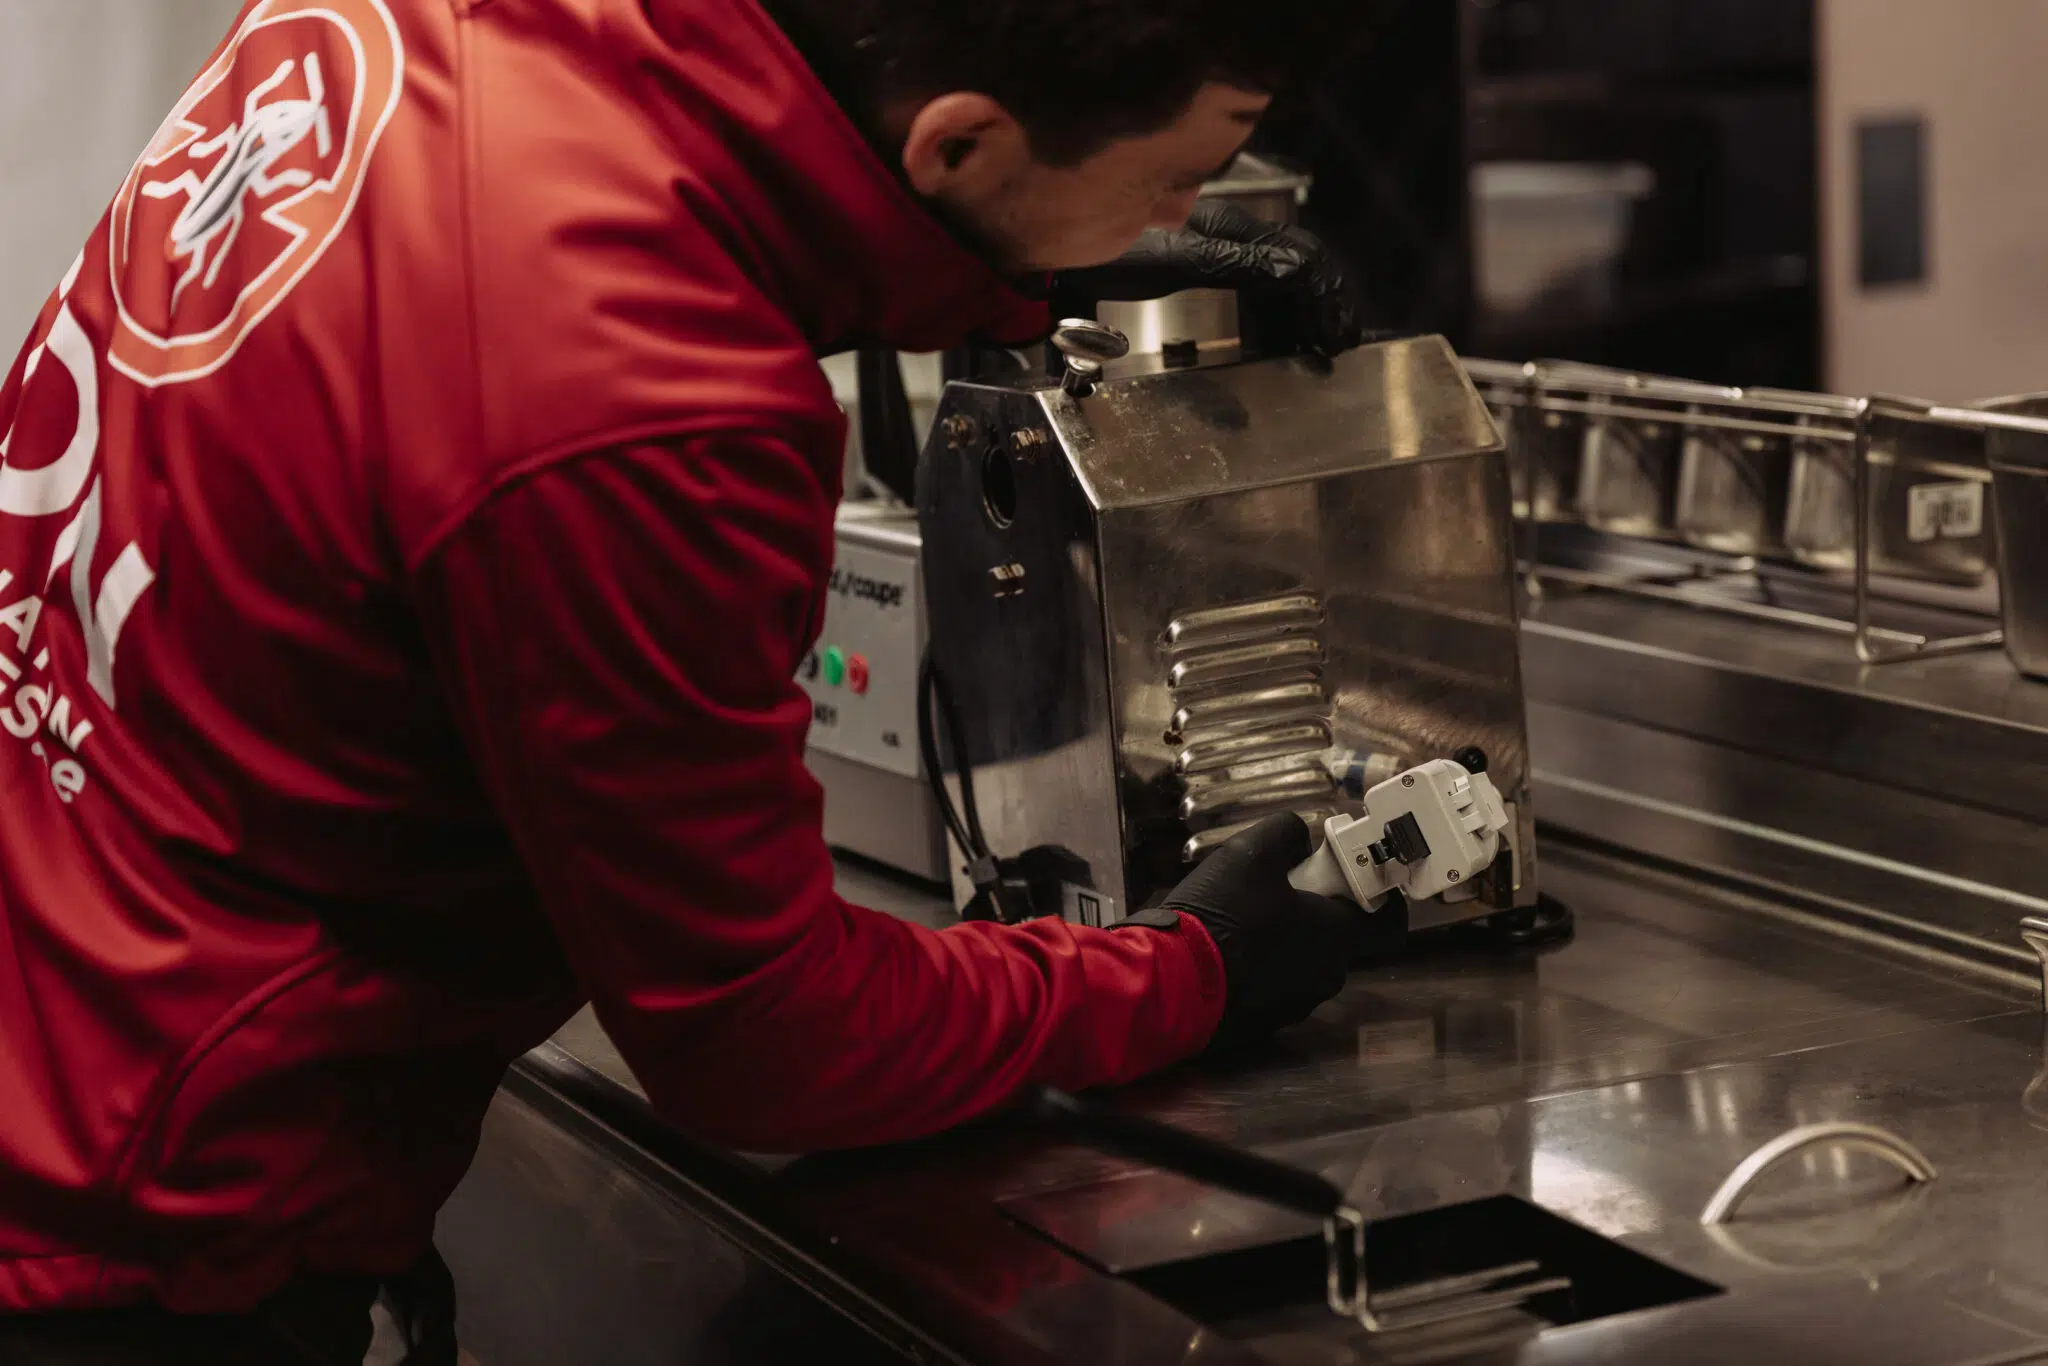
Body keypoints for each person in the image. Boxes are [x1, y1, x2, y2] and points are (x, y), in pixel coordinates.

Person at [0, 0, 1373, 1360]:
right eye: (1182, 171)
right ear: (963, 145)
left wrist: (1032, 265)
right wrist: (1193, 969)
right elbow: (765, 1038)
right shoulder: (638, 404)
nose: (1168, 214)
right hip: (126, 1243)